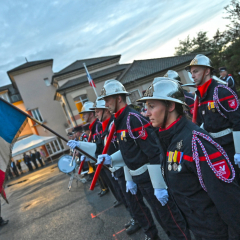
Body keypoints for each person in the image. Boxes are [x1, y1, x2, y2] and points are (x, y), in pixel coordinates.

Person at [138, 78, 240, 240]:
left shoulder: (196, 142)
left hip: (216, 232)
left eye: (152, 106)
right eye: (146, 107)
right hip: (198, 228)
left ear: (171, 106)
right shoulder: (167, 139)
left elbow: (229, 200)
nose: (146, 113)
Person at [96, 80, 191, 240]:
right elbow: (129, 152)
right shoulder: (119, 121)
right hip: (140, 179)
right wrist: (112, 160)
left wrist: (159, 186)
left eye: (107, 99)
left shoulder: (132, 119)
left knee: (171, 219)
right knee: (162, 219)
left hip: (150, 178)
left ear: (118, 98)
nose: (105, 104)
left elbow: (154, 153)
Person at [185, 54, 240, 184]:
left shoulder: (221, 91)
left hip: (231, 146)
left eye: (196, 71)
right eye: (191, 72)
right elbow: (200, 122)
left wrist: (239, 151)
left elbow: (238, 122)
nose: (192, 75)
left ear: (207, 71)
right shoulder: (200, 95)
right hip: (216, 148)